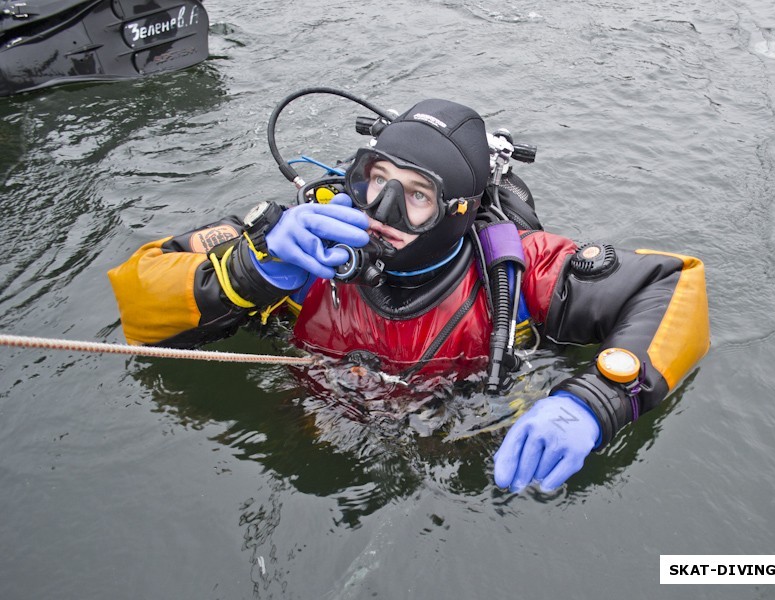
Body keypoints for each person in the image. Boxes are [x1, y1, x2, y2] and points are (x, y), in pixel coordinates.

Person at [108, 96, 710, 493]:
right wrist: (253, 268)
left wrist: (599, 400)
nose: (383, 211)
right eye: (378, 181)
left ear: (459, 211)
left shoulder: (514, 271)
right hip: (310, 431)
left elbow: (675, 283)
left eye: (417, 194)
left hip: (454, 438)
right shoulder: (307, 243)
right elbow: (137, 299)